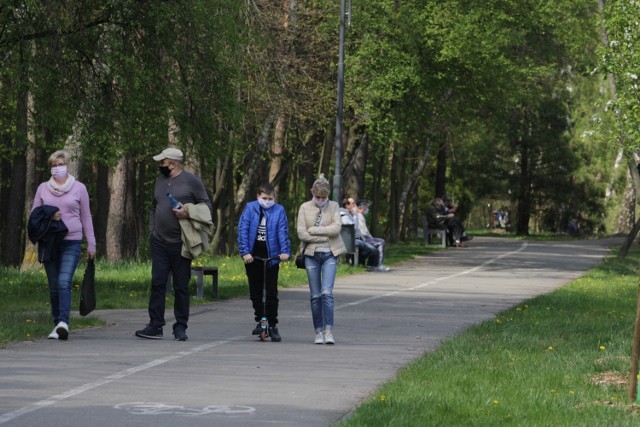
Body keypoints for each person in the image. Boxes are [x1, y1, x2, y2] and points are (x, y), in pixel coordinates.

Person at [135, 147, 212, 341]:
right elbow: (154, 207)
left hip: (182, 242)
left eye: (162, 162)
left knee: (181, 286)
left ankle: (180, 327)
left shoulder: (192, 181)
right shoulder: (159, 182)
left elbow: (207, 206)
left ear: (173, 164)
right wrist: (152, 231)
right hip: (159, 241)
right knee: (158, 282)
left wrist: (188, 211)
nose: (160, 166)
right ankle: (155, 325)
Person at [30, 150, 96, 340]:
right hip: (49, 242)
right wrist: (49, 214)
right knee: (53, 286)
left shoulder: (79, 188)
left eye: (60, 164)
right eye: (54, 165)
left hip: (72, 241)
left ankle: (64, 323)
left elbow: (86, 216)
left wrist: (91, 244)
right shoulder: (43, 188)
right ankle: (56, 323)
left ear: (67, 166)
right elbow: (35, 216)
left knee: (63, 281)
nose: (57, 168)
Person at [237, 183, 291, 342]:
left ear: (274, 197)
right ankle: (260, 319)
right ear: (258, 197)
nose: (267, 201)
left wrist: (284, 251)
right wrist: (245, 252)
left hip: (271, 257)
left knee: (271, 293)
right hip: (253, 257)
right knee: (256, 292)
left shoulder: (279, 211)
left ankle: (272, 324)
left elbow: (283, 231)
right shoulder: (250, 208)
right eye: (264, 198)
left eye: (270, 198)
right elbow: (243, 230)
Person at [297, 174, 346, 344]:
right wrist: (324, 233)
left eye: (324, 197)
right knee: (316, 295)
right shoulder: (304, 207)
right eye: (318, 197)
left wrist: (315, 231)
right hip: (311, 255)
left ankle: (328, 331)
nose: (320, 200)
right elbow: (302, 233)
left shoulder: (334, 206)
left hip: (330, 254)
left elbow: (337, 229)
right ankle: (318, 331)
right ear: (312, 192)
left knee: (327, 293)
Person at [340, 197, 379, 269]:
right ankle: (359, 263)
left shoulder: (348, 214)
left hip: (354, 239)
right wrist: (355, 216)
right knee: (372, 249)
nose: (355, 205)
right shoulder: (345, 216)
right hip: (350, 241)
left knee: (371, 248)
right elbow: (353, 229)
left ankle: (361, 264)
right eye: (353, 203)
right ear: (347, 205)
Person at [355, 200, 390, 271]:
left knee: (377, 242)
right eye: (367, 207)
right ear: (363, 207)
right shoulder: (359, 216)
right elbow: (364, 232)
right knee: (381, 242)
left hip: (363, 238)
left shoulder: (360, 216)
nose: (367, 209)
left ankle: (371, 264)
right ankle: (378, 265)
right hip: (363, 238)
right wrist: (371, 238)